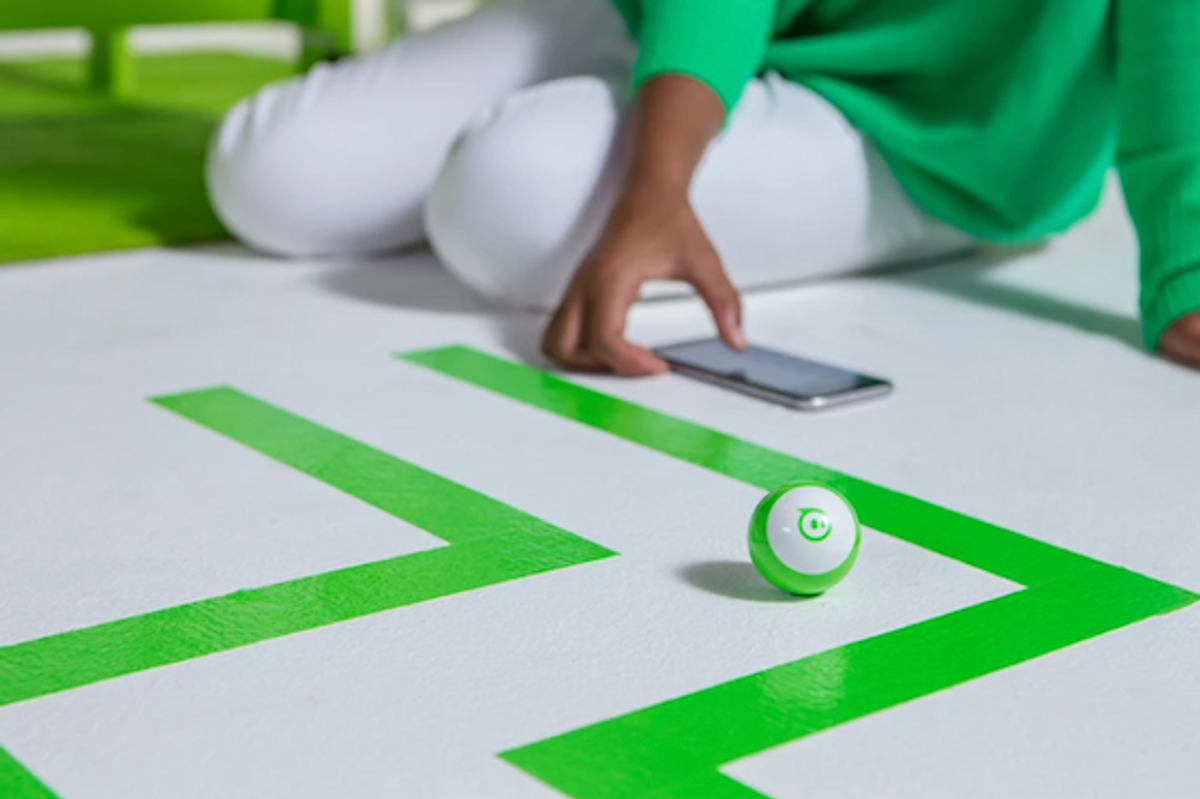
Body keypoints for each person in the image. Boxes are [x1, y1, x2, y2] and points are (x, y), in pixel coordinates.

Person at [207, 0, 1200, 374]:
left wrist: (1185, 272)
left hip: (941, 130)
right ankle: (648, 121)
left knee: (505, 197)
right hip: (695, 18)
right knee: (270, 177)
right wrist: (656, 182)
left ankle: (612, 133)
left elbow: (1178, 38)